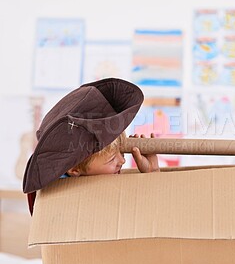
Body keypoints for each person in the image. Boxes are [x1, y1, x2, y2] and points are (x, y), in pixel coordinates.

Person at [23, 78, 158, 215]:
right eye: (112, 159)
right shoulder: (60, 204)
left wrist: (152, 175)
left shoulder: (104, 182)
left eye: (121, 152)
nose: (122, 161)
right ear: (74, 169)